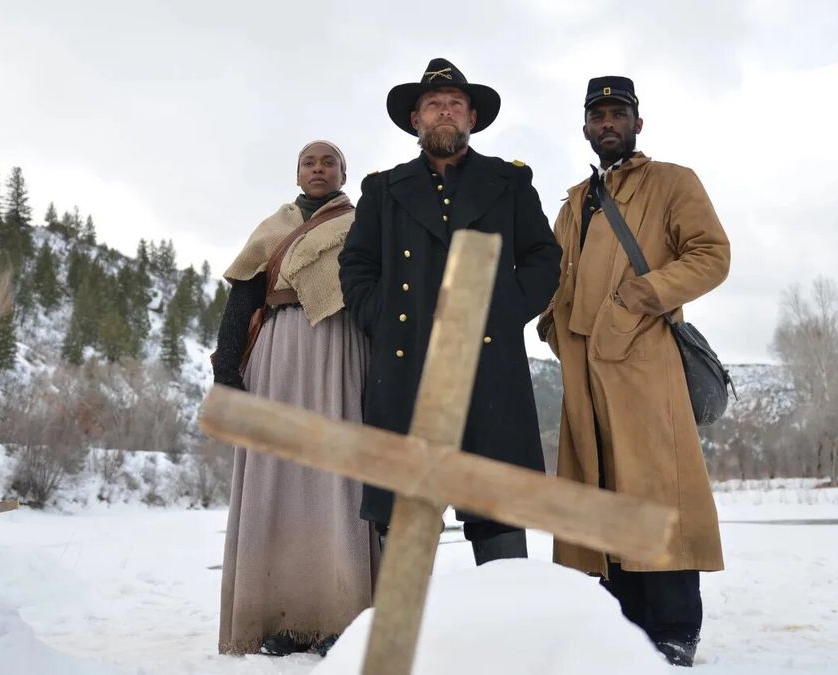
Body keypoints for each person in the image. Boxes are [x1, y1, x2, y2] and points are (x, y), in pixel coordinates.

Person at [537, 76, 730, 667]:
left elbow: (711, 255)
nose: (607, 123)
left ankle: (674, 629)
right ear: (586, 126)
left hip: (645, 364)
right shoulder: (573, 202)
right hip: (583, 373)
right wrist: (550, 321)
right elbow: (555, 272)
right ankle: (622, 629)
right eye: (597, 115)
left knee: (657, 492)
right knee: (602, 494)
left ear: (637, 123)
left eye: (618, 113)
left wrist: (635, 299)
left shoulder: (672, 181)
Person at [339, 58, 561, 564]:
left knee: (497, 508)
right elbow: (356, 265)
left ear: (472, 118)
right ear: (415, 119)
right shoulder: (383, 189)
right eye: (433, 105)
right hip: (405, 364)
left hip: (488, 365)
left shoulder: (509, 182)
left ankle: (504, 632)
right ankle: (407, 635)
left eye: (455, 105)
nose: (445, 112)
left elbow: (543, 257)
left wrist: (502, 311)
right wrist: (380, 314)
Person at [212, 140, 379, 658]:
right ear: (298, 172)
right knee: (276, 479)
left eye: (329, 162)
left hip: (342, 350)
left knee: (338, 481)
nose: (319, 169)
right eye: (310, 161)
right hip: (278, 353)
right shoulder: (273, 226)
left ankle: (341, 616)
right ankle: (278, 615)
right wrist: (225, 368)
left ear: (343, 174)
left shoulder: (362, 221)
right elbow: (243, 293)